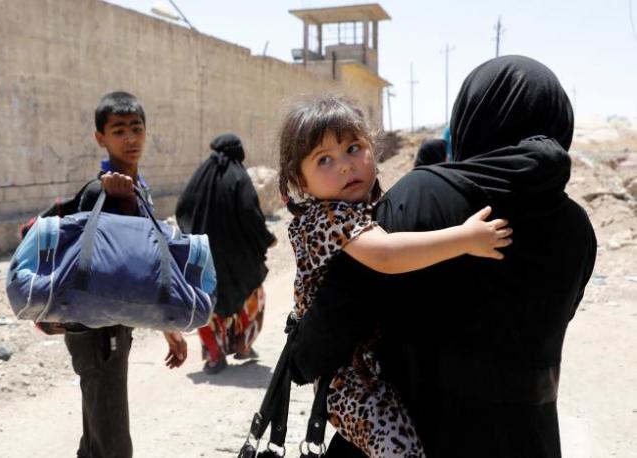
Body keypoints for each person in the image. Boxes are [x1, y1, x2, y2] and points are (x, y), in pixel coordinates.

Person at [289, 56, 597, 458]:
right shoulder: (577, 229)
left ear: (472, 116)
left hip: (419, 433)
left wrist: (298, 355)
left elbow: (333, 327)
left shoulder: (424, 195)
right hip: (527, 440)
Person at [277, 95, 513, 457]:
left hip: (364, 368)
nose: (345, 166)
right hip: (350, 383)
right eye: (324, 159)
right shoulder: (329, 217)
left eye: (354, 148)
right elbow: (387, 255)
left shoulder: (355, 208)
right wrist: (466, 239)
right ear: (299, 181)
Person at [64, 91, 188, 458]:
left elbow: (146, 265)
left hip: (112, 326)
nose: (131, 138)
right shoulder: (100, 192)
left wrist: (168, 328)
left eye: (137, 128)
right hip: (96, 333)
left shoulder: (136, 188)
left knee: (100, 438)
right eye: (119, 130)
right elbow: (117, 268)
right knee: (112, 443)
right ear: (100, 138)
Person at [175, 133, 276, 374]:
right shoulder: (239, 176)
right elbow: (250, 213)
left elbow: (182, 208)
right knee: (250, 293)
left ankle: (214, 355)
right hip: (238, 257)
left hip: (205, 254)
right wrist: (266, 238)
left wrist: (191, 236)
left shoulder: (201, 175)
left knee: (207, 300)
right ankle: (242, 344)